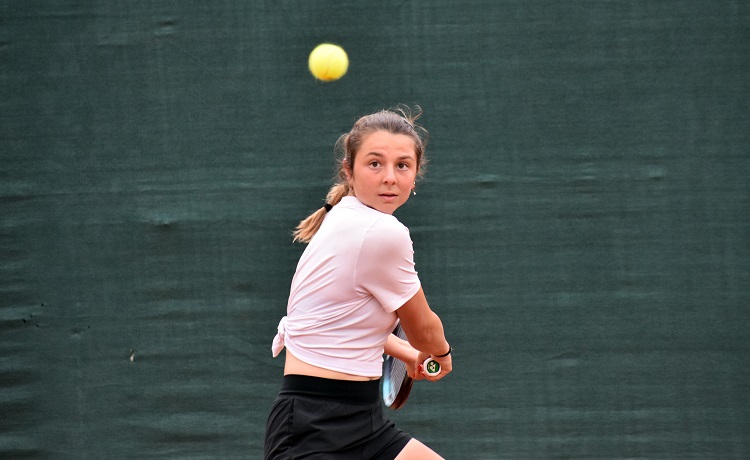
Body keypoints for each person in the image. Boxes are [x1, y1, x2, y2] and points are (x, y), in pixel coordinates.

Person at [264, 106, 453, 459]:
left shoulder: (343, 216)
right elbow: (424, 328)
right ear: (349, 171)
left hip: (362, 421)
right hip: (313, 427)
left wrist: (404, 352)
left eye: (402, 165)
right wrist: (439, 354)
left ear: (415, 175)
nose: (390, 178)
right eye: (375, 163)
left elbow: (343, 323)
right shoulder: (381, 232)